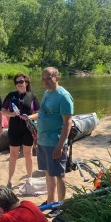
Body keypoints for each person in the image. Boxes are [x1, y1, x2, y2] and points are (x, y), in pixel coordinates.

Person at [36, 67, 74, 212]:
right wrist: (36, 138)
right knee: (48, 172)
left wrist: (59, 146)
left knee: (59, 175)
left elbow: (67, 123)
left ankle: (60, 205)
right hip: (43, 141)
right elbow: (42, 114)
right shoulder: (46, 93)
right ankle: (50, 201)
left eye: (49, 78)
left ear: (57, 78)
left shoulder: (63, 96)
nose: (46, 81)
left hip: (54, 142)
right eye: (43, 78)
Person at [1, 73, 39, 188]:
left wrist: (29, 117)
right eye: (17, 82)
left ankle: (29, 178)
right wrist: (11, 114)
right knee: (13, 155)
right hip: (14, 129)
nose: (19, 84)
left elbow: (39, 113)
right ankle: (10, 180)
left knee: (28, 154)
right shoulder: (11, 95)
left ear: (26, 83)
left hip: (27, 129)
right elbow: (2, 110)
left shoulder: (32, 96)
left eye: (21, 81)